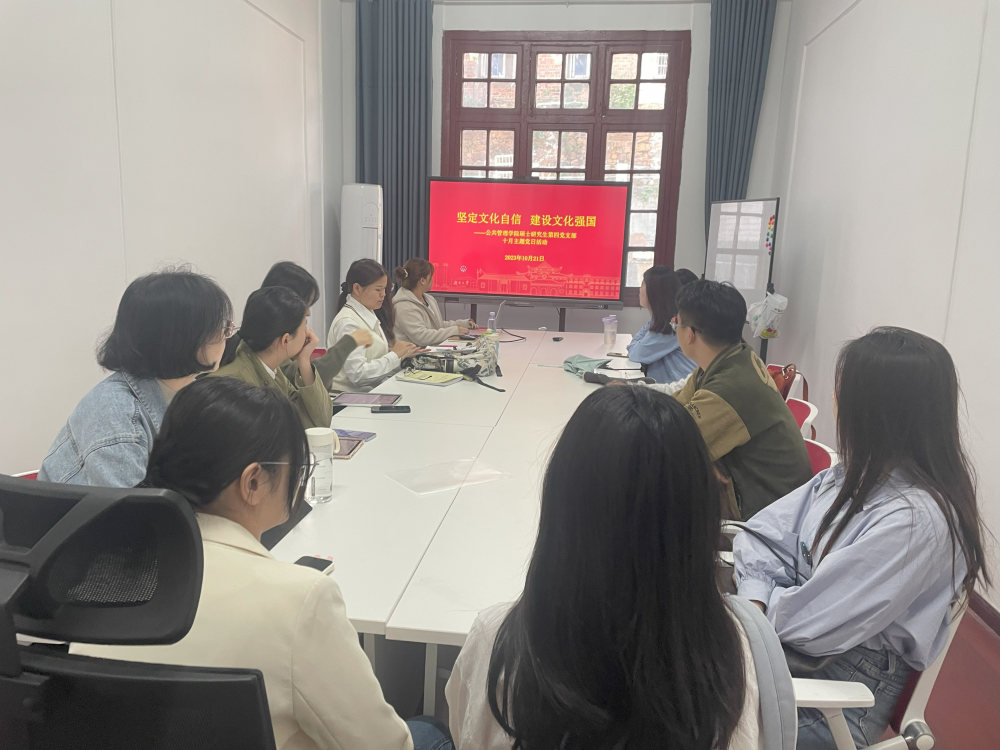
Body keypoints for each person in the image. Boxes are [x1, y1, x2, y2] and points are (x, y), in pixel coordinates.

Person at [73, 378, 453, 750]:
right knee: (429, 730)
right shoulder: (300, 600)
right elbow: (384, 744)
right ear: (253, 482)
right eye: (296, 467)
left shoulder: (96, 576)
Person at [445, 386, 762, 750]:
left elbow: (464, 730)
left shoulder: (498, 645)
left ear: (560, 513)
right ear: (700, 519)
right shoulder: (730, 658)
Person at [734, 327, 990, 750]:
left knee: (670, 706)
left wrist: (749, 607)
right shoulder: (852, 474)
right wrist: (758, 599)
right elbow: (763, 535)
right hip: (792, 648)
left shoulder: (915, 520)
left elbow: (814, 625)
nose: (835, 399)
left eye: (843, 390)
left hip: (837, 688)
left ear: (875, 410)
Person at [38, 269, 233, 487]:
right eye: (220, 327)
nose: (226, 335)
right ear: (181, 339)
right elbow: (127, 508)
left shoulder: (189, 392)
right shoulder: (117, 415)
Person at [668, 279, 811, 519]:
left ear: (690, 334)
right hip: (757, 491)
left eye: (676, 324)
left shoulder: (729, 387)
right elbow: (676, 409)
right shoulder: (732, 357)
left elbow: (670, 444)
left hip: (766, 515)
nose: (676, 330)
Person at [222, 261, 373, 388]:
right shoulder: (265, 354)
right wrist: (348, 343)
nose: (308, 313)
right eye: (305, 304)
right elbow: (308, 383)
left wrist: (304, 358)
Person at [211, 287, 332, 429]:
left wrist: (304, 361)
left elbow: (319, 422)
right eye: (304, 328)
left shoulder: (267, 363)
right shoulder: (236, 384)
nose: (308, 334)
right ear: (286, 340)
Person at [327, 259, 419, 393]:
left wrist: (401, 358)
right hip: (347, 398)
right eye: (378, 289)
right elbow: (358, 375)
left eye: (386, 289)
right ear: (357, 289)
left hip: (367, 392)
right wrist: (394, 355)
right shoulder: (348, 322)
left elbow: (375, 363)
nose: (384, 294)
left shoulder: (367, 312)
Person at [626, 266, 698, 384]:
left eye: (643, 284)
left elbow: (636, 353)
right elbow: (635, 346)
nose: (639, 289)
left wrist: (634, 346)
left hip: (679, 390)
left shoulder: (672, 324)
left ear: (654, 292)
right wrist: (634, 346)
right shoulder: (659, 319)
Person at [392, 259, 477, 347]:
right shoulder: (405, 307)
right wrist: (454, 331)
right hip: (415, 355)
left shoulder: (429, 299)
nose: (432, 279)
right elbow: (422, 337)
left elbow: (438, 326)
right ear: (422, 280)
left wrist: (463, 324)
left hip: (431, 351)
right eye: (431, 276)